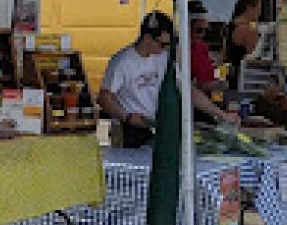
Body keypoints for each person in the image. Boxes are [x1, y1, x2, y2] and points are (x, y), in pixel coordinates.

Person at [98, 10, 238, 148]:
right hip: (129, 130)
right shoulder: (122, 61)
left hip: (157, 124)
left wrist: (221, 115)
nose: (165, 48)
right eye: (162, 44)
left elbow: (187, 90)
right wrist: (126, 117)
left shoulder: (163, 57)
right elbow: (105, 97)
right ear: (147, 38)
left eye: (168, 45)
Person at [225, 0, 261, 88]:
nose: (260, 13)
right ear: (249, 8)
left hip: (229, 75)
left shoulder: (230, 26)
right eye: (258, 8)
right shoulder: (248, 30)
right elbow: (254, 57)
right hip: (244, 79)